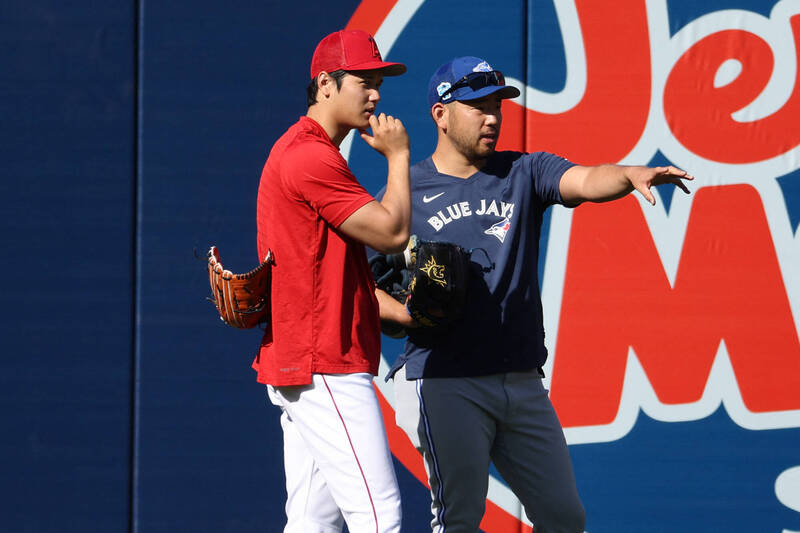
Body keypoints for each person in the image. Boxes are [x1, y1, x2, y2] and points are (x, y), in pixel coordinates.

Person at [375, 56, 693, 533]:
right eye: (476, 106)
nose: (492, 117)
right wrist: (408, 314)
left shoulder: (524, 171)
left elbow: (585, 180)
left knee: (565, 518)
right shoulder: (407, 190)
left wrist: (627, 175)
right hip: (445, 379)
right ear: (440, 114)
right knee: (459, 519)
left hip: (521, 381)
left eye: (496, 106)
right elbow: (364, 287)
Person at [254, 29, 412, 533]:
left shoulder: (307, 151)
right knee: (379, 517)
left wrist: (396, 308)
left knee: (311, 524)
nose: (375, 94)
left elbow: (326, 275)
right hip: (326, 364)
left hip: (305, 360)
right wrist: (399, 156)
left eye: (378, 82)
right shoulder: (310, 156)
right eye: (363, 81)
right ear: (325, 84)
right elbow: (391, 232)